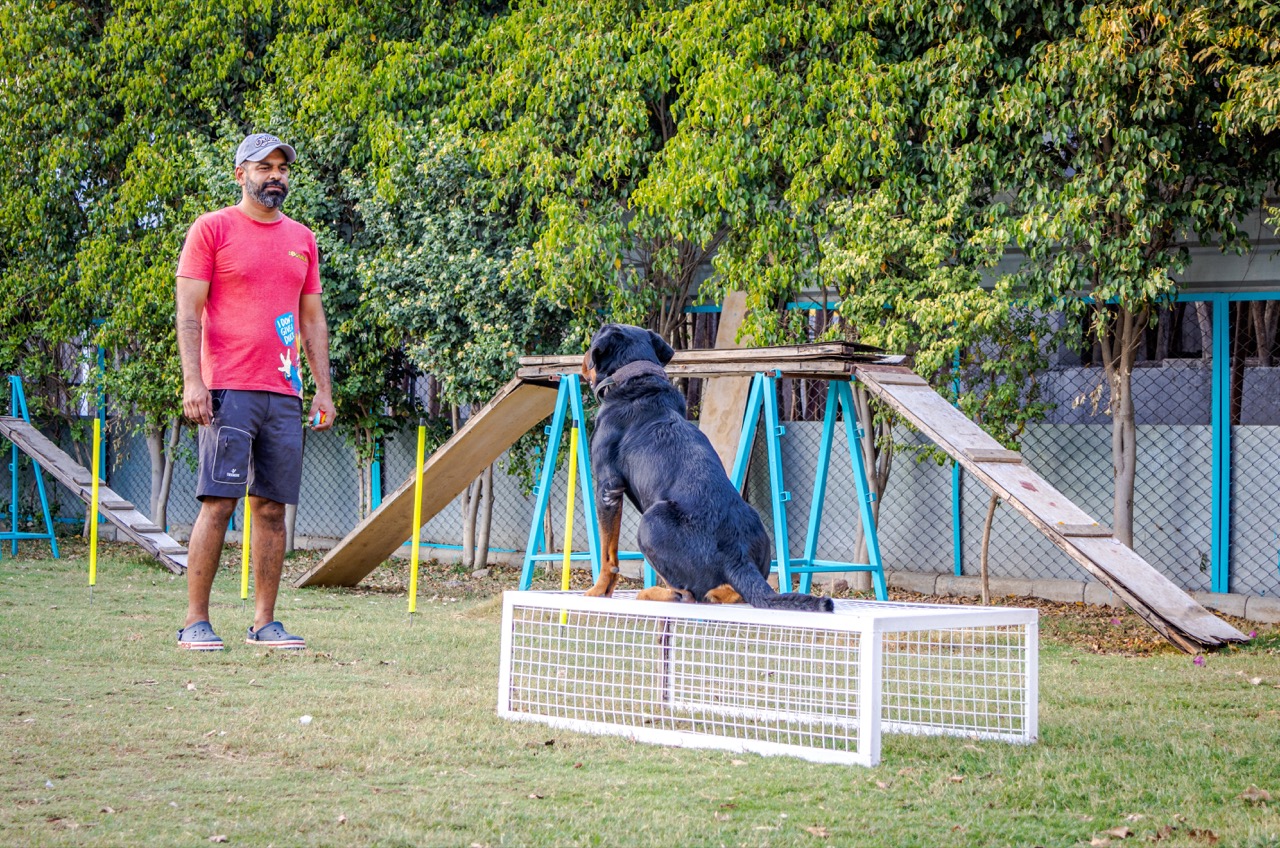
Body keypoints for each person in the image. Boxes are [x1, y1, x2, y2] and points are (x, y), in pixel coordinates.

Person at [173, 132, 335, 651]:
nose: (275, 176)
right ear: (240, 173)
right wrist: (194, 381)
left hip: (284, 393)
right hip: (228, 390)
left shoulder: (302, 238)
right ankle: (196, 621)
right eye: (264, 167)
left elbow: (312, 319)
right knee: (218, 502)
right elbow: (188, 313)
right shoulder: (212, 229)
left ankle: (265, 623)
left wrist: (322, 390)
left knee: (271, 508)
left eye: (282, 168)